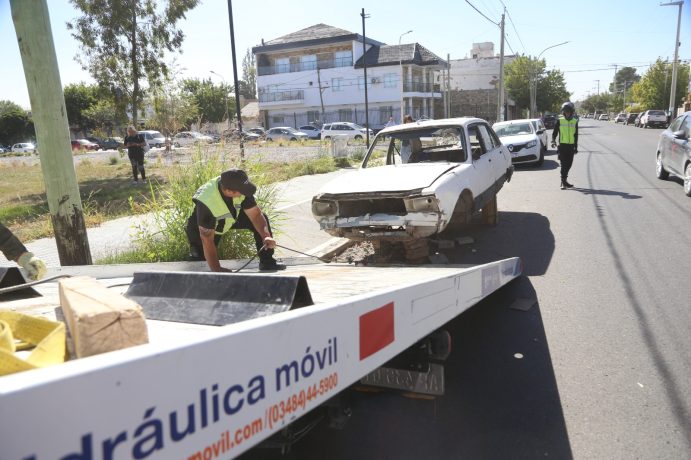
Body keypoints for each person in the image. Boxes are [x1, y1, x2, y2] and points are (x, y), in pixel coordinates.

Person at [185, 168, 286, 272]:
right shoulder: (207, 201)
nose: (245, 193)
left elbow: (255, 215)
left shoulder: (240, 187)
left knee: (261, 216)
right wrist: (217, 269)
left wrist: (266, 236)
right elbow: (207, 239)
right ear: (228, 191)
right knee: (201, 261)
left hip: (229, 217)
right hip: (200, 224)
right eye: (242, 192)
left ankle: (267, 262)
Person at [551, 102, 579, 189]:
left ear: (571, 112)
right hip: (562, 146)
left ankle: (564, 180)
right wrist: (553, 141)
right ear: (563, 112)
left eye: (568, 111)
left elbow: (576, 135)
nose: (566, 113)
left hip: (571, 146)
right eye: (565, 111)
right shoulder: (560, 120)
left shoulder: (575, 121)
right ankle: (563, 181)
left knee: (569, 164)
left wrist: (575, 147)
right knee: (563, 165)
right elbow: (554, 133)